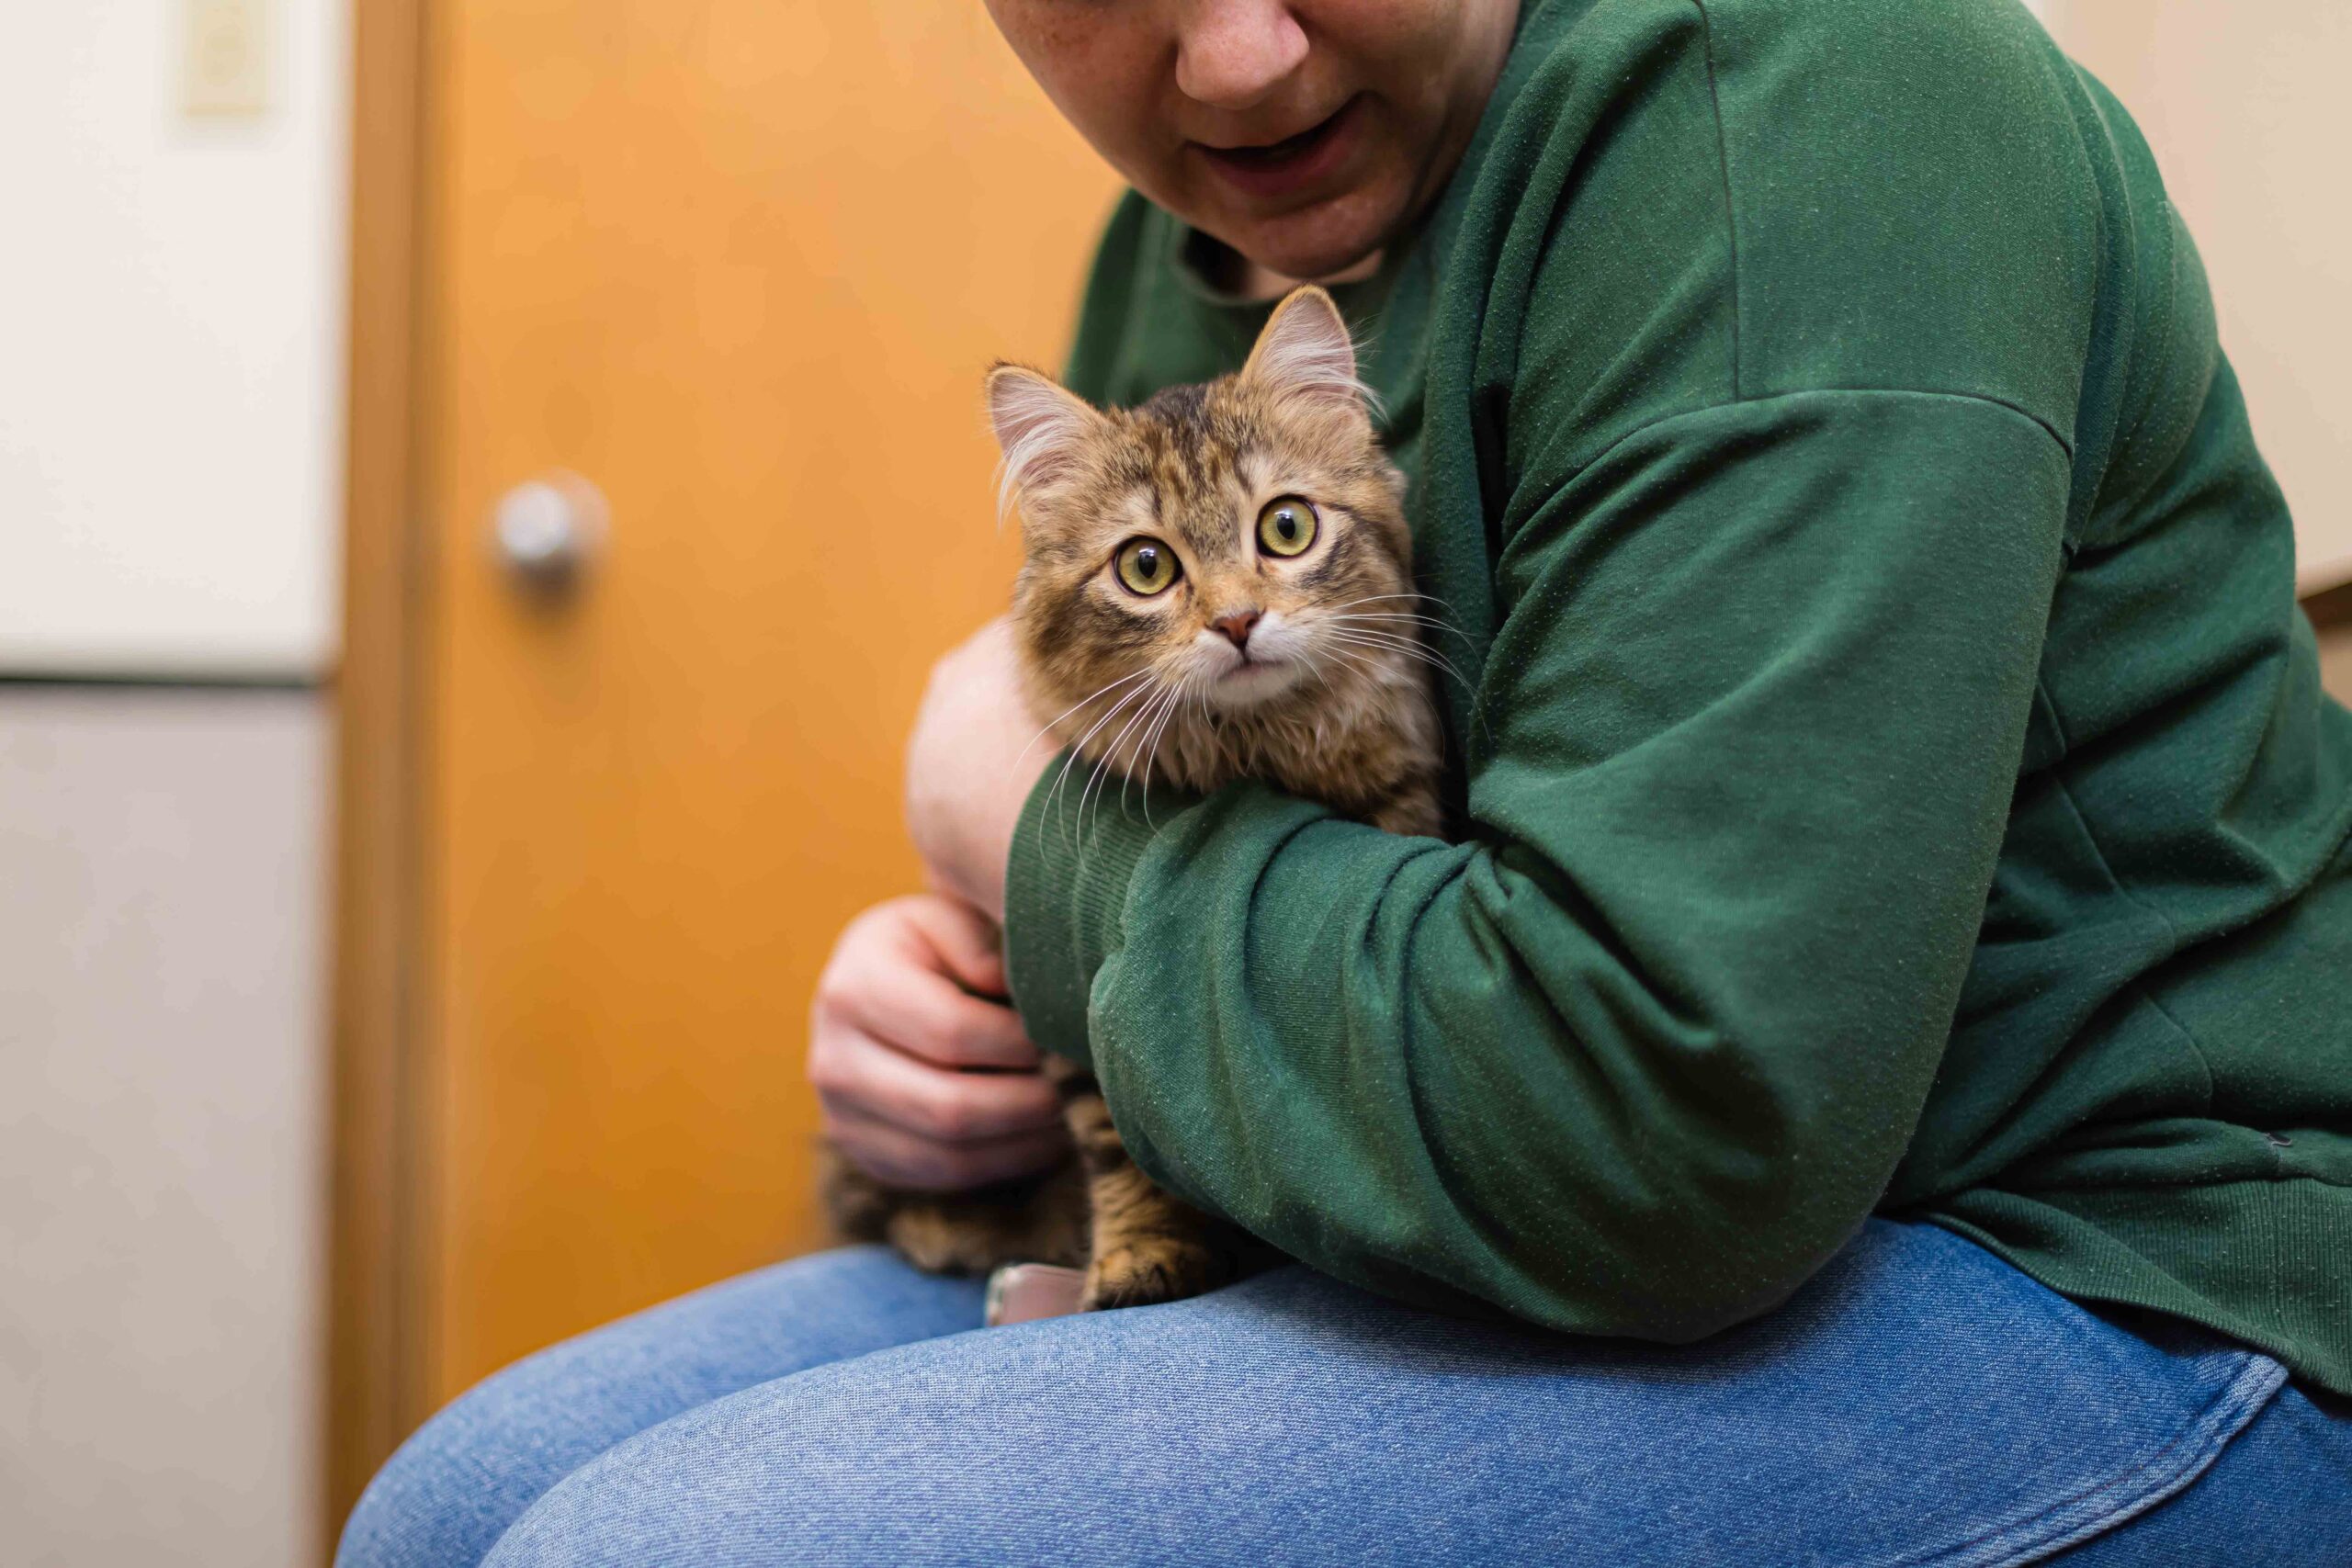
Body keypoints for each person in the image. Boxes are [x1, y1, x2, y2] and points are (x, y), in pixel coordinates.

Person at [339, 1, 2352, 1562]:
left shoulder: (1803, 119)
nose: (1227, 55)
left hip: (2098, 1277)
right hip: (1421, 1225)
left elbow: (1662, 1118)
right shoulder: (1196, 236)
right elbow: (1159, 818)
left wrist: (1029, 841)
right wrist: (977, 981)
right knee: (451, 1505)